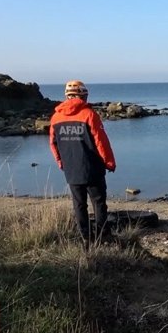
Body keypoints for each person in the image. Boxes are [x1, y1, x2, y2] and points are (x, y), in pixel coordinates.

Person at [49, 80, 116, 250]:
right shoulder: (89, 114)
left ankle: (85, 238)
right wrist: (109, 162)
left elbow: (53, 144)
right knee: (99, 203)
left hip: (71, 170)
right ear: (83, 95)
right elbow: (101, 142)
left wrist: (60, 163)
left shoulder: (56, 117)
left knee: (79, 204)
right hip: (92, 168)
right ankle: (102, 236)